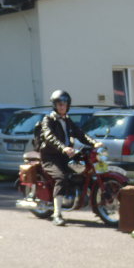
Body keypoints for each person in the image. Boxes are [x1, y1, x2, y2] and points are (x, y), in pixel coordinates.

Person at [39, 90, 102, 226]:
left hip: (65, 155)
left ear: (68, 105)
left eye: (64, 104)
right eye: (59, 104)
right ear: (54, 105)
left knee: (83, 172)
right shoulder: (48, 119)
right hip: (51, 157)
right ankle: (57, 214)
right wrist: (63, 148)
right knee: (60, 178)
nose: (62, 106)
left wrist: (94, 143)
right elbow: (49, 137)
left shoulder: (67, 120)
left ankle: (77, 198)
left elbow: (80, 134)